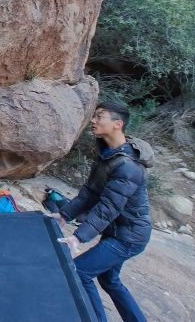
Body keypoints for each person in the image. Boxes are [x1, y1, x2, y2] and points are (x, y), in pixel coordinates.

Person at [50, 101, 154, 322]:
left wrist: (79, 237)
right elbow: (90, 192)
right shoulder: (108, 154)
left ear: (118, 124)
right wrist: (64, 214)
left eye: (100, 116)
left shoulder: (127, 166)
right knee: (109, 281)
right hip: (117, 231)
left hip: (128, 237)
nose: (93, 120)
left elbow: (109, 207)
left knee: (79, 272)